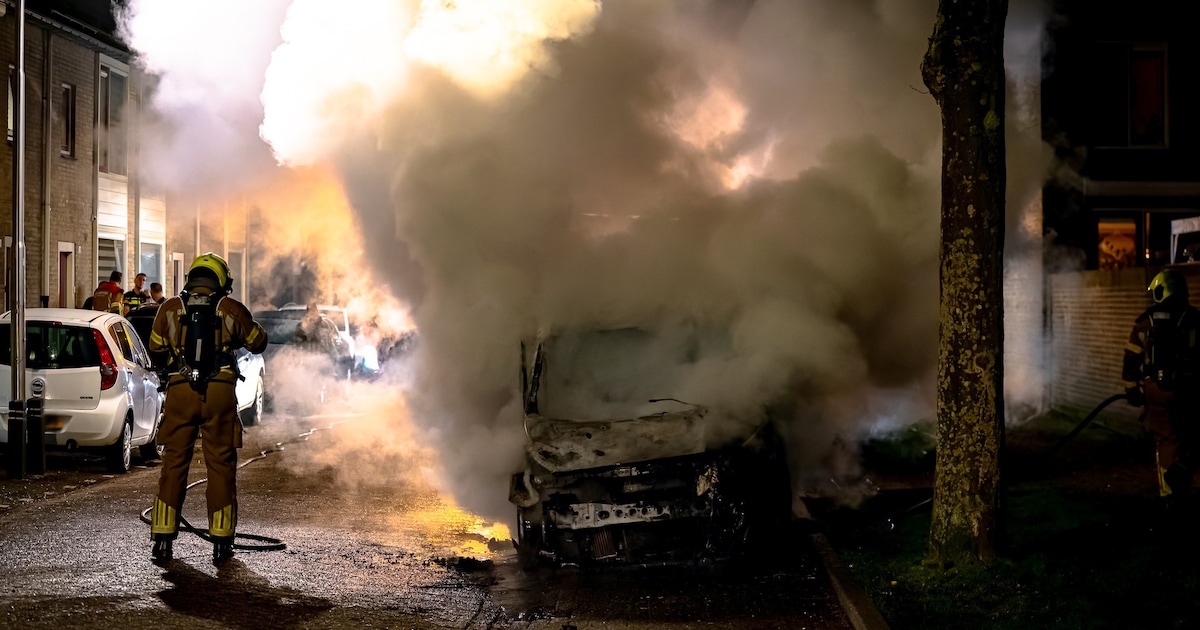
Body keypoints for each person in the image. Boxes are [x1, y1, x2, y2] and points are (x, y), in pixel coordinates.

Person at [147, 253, 267, 564]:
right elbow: (257, 342)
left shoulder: (170, 308)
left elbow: (156, 346)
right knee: (221, 466)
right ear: (222, 280)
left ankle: (162, 539)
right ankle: (222, 542)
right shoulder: (230, 309)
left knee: (173, 464)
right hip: (219, 394)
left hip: (180, 393)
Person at [1123, 268, 1200, 521]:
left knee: (1166, 441)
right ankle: (1193, 490)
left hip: (1156, 391)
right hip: (1190, 391)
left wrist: (1131, 388)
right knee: (1192, 439)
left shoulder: (1145, 321)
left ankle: (1169, 496)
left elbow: (1132, 356)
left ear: (1161, 290)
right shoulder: (1194, 318)